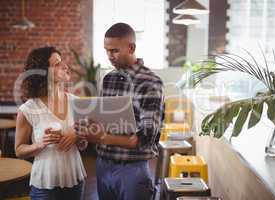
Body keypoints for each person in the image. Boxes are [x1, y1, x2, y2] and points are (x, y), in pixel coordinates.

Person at [75, 23, 164, 200]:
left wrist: (102, 137)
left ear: (131, 48)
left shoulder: (151, 82)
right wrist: (85, 129)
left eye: (114, 50)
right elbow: (101, 120)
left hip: (133, 169)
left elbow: (146, 138)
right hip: (103, 166)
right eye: (107, 50)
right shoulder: (108, 79)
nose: (109, 56)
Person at [15, 46, 86, 200]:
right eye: (56, 64)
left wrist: (77, 136)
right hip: (44, 186)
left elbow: (83, 145)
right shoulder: (28, 109)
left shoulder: (76, 102)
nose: (65, 66)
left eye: (61, 62)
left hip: (75, 180)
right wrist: (39, 145)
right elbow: (19, 150)